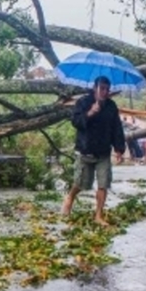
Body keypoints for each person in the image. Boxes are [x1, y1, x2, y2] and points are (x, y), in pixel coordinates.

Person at [61, 76, 126, 225]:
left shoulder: (111, 106)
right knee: (81, 183)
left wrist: (119, 149)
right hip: (85, 150)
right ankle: (70, 198)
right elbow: (76, 122)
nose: (105, 92)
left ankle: (98, 216)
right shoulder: (83, 102)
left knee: (103, 184)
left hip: (103, 151)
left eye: (107, 89)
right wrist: (90, 113)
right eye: (102, 88)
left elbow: (117, 129)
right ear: (95, 88)